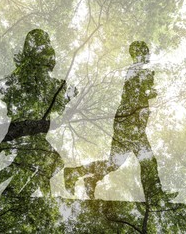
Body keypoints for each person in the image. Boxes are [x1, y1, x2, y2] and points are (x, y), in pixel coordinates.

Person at [64, 41, 165, 202]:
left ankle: (80, 175)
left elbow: (134, 93)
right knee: (148, 160)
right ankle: (155, 196)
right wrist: (144, 103)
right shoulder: (135, 69)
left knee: (114, 164)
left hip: (129, 122)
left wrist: (147, 94)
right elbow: (132, 96)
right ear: (139, 52)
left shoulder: (135, 71)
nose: (148, 55)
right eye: (145, 52)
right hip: (130, 123)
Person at [0, 29, 74, 197]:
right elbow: (12, 94)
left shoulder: (39, 77)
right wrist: (63, 95)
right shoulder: (27, 73)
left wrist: (65, 95)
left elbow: (54, 106)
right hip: (27, 124)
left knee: (33, 162)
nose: (48, 60)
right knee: (38, 162)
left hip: (34, 126)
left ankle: (8, 191)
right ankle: (11, 192)